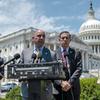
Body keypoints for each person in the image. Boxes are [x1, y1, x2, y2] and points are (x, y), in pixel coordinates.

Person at [20, 29, 53, 100]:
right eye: (39, 36)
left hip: (45, 92)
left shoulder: (51, 54)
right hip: (27, 91)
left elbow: (55, 71)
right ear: (33, 38)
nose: (41, 38)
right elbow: (20, 68)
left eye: (43, 36)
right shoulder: (25, 52)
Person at [52, 31, 82, 100]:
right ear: (59, 40)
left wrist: (69, 83)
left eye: (67, 38)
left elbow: (79, 69)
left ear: (70, 40)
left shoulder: (76, 53)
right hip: (59, 89)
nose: (65, 39)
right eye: (63, 38)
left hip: (73, 88)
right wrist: (61, 82)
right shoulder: (54, 54)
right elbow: (53, 71)